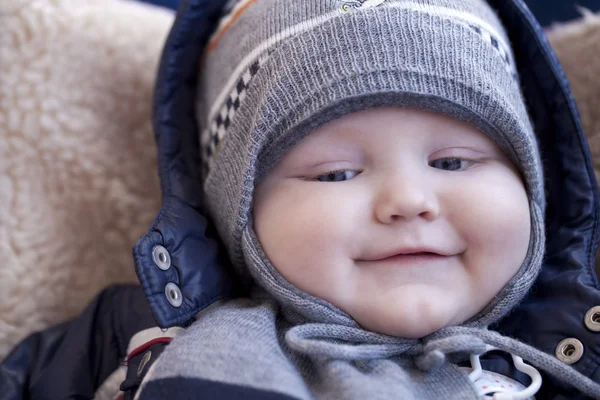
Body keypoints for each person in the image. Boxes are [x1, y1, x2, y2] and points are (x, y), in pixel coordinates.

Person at [3, 0, 600, 399]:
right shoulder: (141, 333)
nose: (409, 200)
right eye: (336, 174)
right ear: (236, 209)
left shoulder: (574, 352)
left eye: (452, 162)